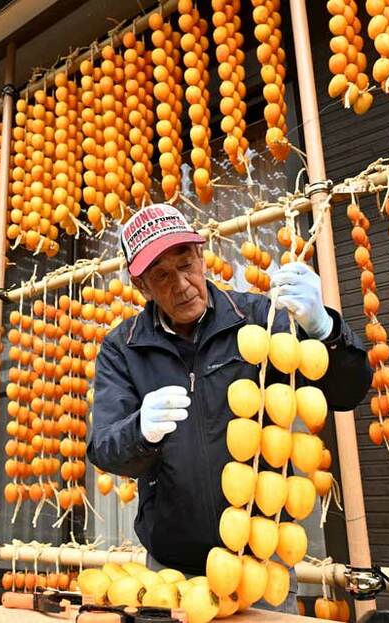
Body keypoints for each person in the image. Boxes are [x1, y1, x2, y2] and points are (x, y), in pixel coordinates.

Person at [88, 203, 370, 612]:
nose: (182, 285)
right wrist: (140, 431)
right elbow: (105, 448)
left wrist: (324, 330)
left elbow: (346, 393)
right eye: (162, 277)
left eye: (186, 265)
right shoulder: (123, 348)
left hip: (261, 562)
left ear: (202, 258)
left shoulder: (261, 318)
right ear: (142, 288)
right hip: (172, 572)